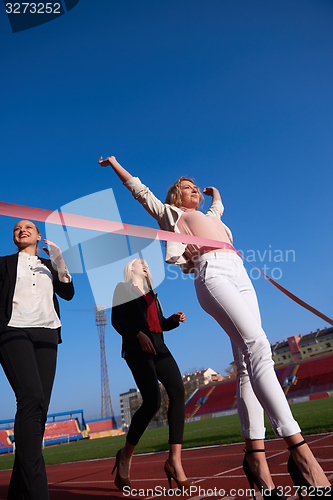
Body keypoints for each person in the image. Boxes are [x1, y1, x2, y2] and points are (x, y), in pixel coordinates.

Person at [100, 155, 332, 500]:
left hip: (240, 273)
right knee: (259, 348)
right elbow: (141, 192)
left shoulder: (208, 215)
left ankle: (257, 464)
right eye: (187, 188)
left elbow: (218, 211)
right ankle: (302, 454)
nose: (194, 191)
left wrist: (216, 195)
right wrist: (118, 166)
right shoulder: (174, 215)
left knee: (245, 365)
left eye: (196, 188)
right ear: (176, 197)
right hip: (213, 273)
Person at [0, 220, 74, 500]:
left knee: (39, 409)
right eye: (16, 228)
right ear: (13, 238)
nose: (22, 230)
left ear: (38, 235)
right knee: (30, 397)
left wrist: (59, 261)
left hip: (47, 333)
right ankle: (37, 493)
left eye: (28, 227)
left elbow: (67, 293)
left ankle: (17, 493)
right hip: (12, 331)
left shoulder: (49, 265)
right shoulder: (4, 263)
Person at [111, 258, 194, 493]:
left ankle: (174, 461)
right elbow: (117, 320)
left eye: (146, 263)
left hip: (159, 345)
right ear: (131, 268)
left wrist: (173, 320)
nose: (145, 264)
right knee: (152, 401)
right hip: (138, 347)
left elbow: (160, 325)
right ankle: (125, 457)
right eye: (140, 262)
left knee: (178, 390)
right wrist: (138, 334)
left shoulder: (152, 294)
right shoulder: (122, 288)